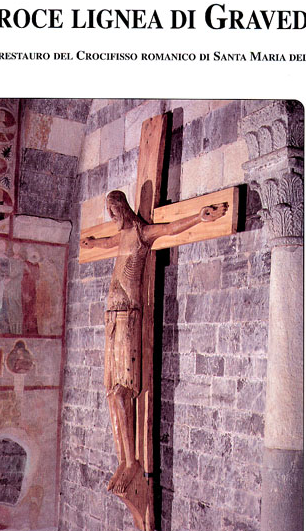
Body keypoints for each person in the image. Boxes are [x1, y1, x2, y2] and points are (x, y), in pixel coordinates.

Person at [81, 190, 227, 495]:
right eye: (109, 212)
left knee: (122, 392)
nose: (112, 217)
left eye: (114, 211)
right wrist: (92, 244)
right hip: (111, 318)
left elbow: (170, 228)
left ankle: (131, 462)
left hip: (128, 318)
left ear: (124, 208)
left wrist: (199, 217)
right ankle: (122, 460)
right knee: (110, 393)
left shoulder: (141, 234)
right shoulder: (121, 237)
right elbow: (105, 243)